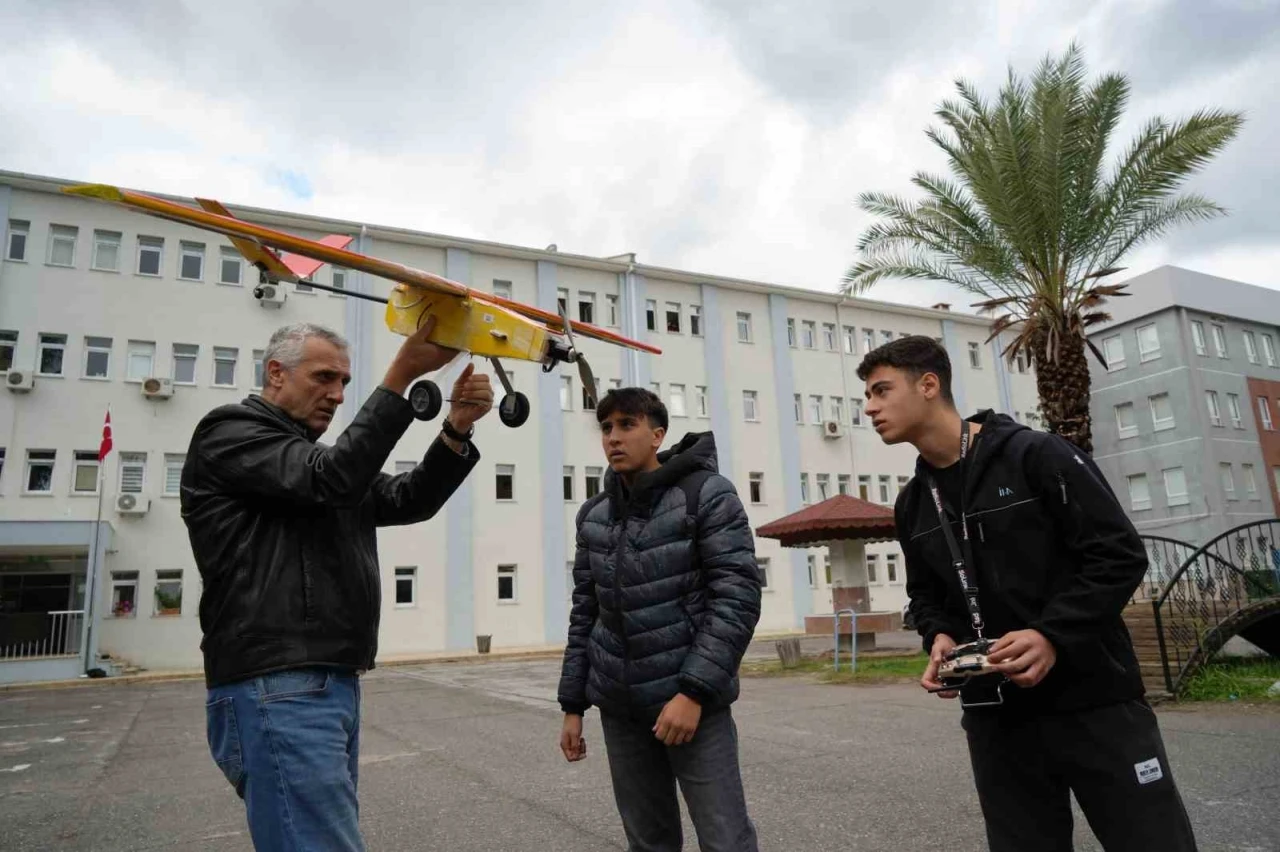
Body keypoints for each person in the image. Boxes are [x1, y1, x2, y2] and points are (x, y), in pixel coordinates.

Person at [859, 335, 1197, 852]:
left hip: (1095, 702)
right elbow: (923, 594)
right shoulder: (912, 503)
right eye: (868, 396)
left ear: (929, 385)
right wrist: (939, 634)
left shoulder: (1035, 455)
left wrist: (1051, 635)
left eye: (881, 391)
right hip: (996, 717)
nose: (870, 407)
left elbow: (1118, 554)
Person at [182, 319, 492, 851]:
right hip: (278, 682)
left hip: (323, 682)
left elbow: (405, 499)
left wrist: (456, 429)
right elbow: (332, 478)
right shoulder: (231, 433)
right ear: (275, 373)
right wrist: (402, 373)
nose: (337, 394)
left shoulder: (313, 460)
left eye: (345, 382)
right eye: (324, 377)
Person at [556, 387, 762, 852]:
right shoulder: (594, 515)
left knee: (725, 840)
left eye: (627, 425)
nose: (613, 437)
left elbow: (738, 597)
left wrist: (693, 692)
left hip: (691, 707)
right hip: (622, 711)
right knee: (649, 843)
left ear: (657, 434)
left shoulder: (705, 494)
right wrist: (573, 705)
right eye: (606, 427)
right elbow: (586, 612)